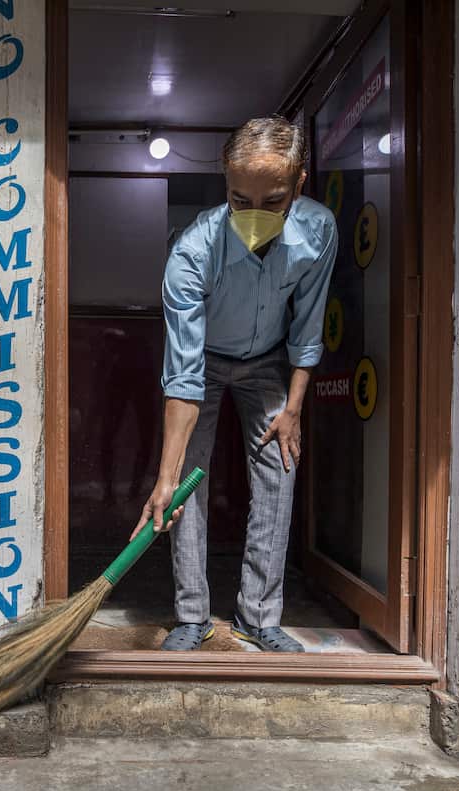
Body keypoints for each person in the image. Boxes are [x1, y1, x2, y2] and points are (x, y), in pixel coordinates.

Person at [132, 116, 337, 652]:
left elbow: (308, 327)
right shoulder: (193, 252)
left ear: (299, 184)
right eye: (238, 198)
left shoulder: (318, 230)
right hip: (203, 363)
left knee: (279, 467)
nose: (252, 214)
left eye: (271, 201)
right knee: (186, 483)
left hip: (269, 361)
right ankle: (191, 616)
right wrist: (165, 476)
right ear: (226, 183)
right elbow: (182, 374)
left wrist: (293, 407)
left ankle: (258, 616)